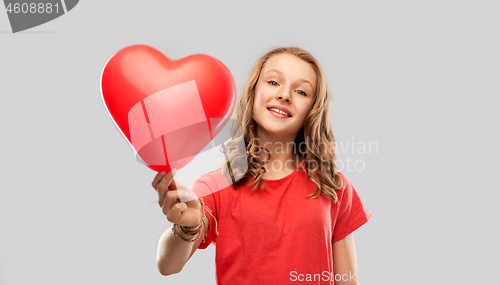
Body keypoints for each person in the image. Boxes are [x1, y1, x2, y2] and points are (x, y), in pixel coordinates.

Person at [151, 46, 371, 284]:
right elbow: (167, 265)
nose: (285, 95)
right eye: (274, 82)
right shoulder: (216, 185)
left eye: (301, 91)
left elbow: (346, 280)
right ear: (253, 93)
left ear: (312, 110)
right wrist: (189, 226)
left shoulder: (333, 186)